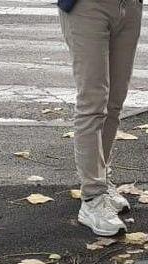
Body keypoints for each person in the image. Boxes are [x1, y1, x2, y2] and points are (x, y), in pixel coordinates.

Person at [58, 0, 142, 236]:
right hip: (87, 6)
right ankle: (93, 197)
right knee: (93, 102)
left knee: (114, 102)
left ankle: (102, 182)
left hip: (129, 5)